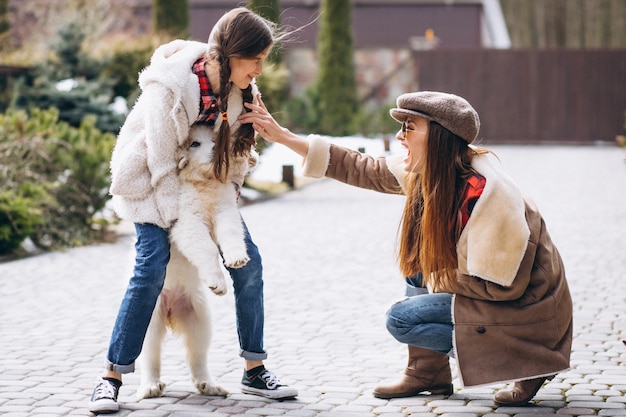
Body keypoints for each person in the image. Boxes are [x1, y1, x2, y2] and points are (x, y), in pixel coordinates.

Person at [238, 91, 573, 406]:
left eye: (410, 128)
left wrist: (438, 273)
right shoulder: (433, 172)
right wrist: (282, 135)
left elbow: (502, 286)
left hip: (528, 317)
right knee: (418, 264)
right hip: (498, 301)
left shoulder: (489, 195)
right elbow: (361, 167)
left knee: (402, 318)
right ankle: (427, 371)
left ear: (439, 138)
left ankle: (530, 363)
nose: (400, 136)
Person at [88, 7, 298, 414]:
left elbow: (239, 155)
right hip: (151, 186)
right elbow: (162, 162)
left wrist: (227, 199)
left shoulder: (242, 93)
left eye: (263, 61)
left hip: (206, 188)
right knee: (151, 267)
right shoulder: (168, 87)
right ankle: (111, 377)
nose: (259, 69)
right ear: (228, 55)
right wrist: (178, 222)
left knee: (249, 264)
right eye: (254, 60)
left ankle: (254, 369)